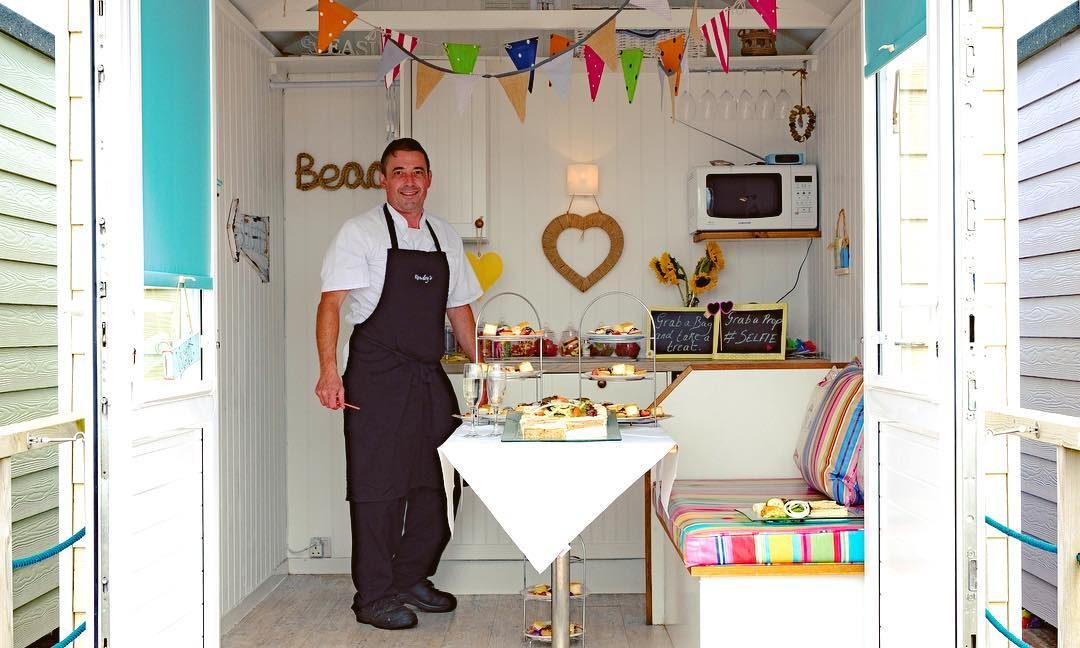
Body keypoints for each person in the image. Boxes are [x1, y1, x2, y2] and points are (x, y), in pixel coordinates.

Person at [315, 138, 481, 630]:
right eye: (399, 171)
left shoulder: (444, 236)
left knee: (444, 481)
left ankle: (411, 577)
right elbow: (330, 305)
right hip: (375, 376)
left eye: (418, 171)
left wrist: (485, 372)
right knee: (377, 489)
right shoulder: (359, 233)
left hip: (428, 377)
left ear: (429, 179)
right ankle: (373, 596)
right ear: (382, 179)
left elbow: (461, 310)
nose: (409, 180)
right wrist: (328, 371)